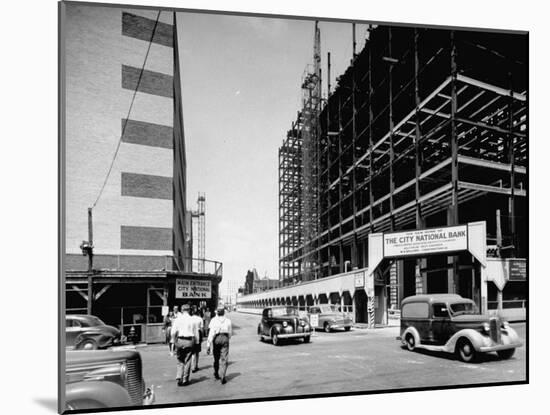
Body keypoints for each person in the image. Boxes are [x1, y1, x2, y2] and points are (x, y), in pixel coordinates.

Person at [171, 303, 200, 386]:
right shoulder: (193, 320)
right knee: (187, 360)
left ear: (182, 310)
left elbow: (173, 332)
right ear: (189, 310)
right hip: (189, 341)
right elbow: (196, 333)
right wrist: (197, 342)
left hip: (180, 340)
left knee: (180, 360)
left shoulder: (177, 319)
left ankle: (179, 377)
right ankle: (185, 379)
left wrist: (174, 340)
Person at [206, 306, 232, 384]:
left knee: (216, 358)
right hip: (225, 338)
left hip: (216, 338)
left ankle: (216, 373)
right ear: (224, 312)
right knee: (224, 358)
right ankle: (222, 376)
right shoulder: (228, 320)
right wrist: (227, 338)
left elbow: (211, 333)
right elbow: (230, 333)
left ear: (217, 312)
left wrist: (208, 344)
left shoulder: (213, 320)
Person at [190, 305, 204, 372]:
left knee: (193, 352)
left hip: (191, 335)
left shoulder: (190, 318)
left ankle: (193, 367)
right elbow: (201, 329)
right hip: (198, 334)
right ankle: (196, 365)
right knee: (197, 352)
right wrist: (202, 337)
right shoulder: (200, 319)